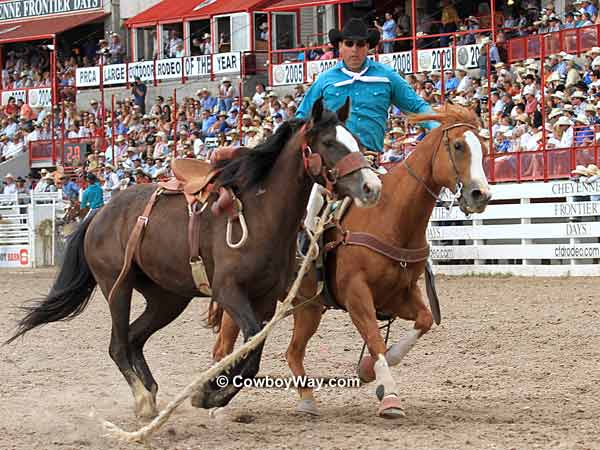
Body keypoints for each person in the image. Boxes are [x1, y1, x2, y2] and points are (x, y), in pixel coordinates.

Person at [296, 18, 437, 246]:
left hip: (371, 163)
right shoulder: (325, 80)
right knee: (312, 208)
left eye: (360, 44)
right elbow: (301, 118)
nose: (354, 49)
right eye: (349, 44)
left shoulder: (386, 77)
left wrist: (438, 129)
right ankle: (305, 258)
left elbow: (418, 108)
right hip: (334, 169)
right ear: (340, 47)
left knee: (403, 209)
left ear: (368, 47)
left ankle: (418, 260)